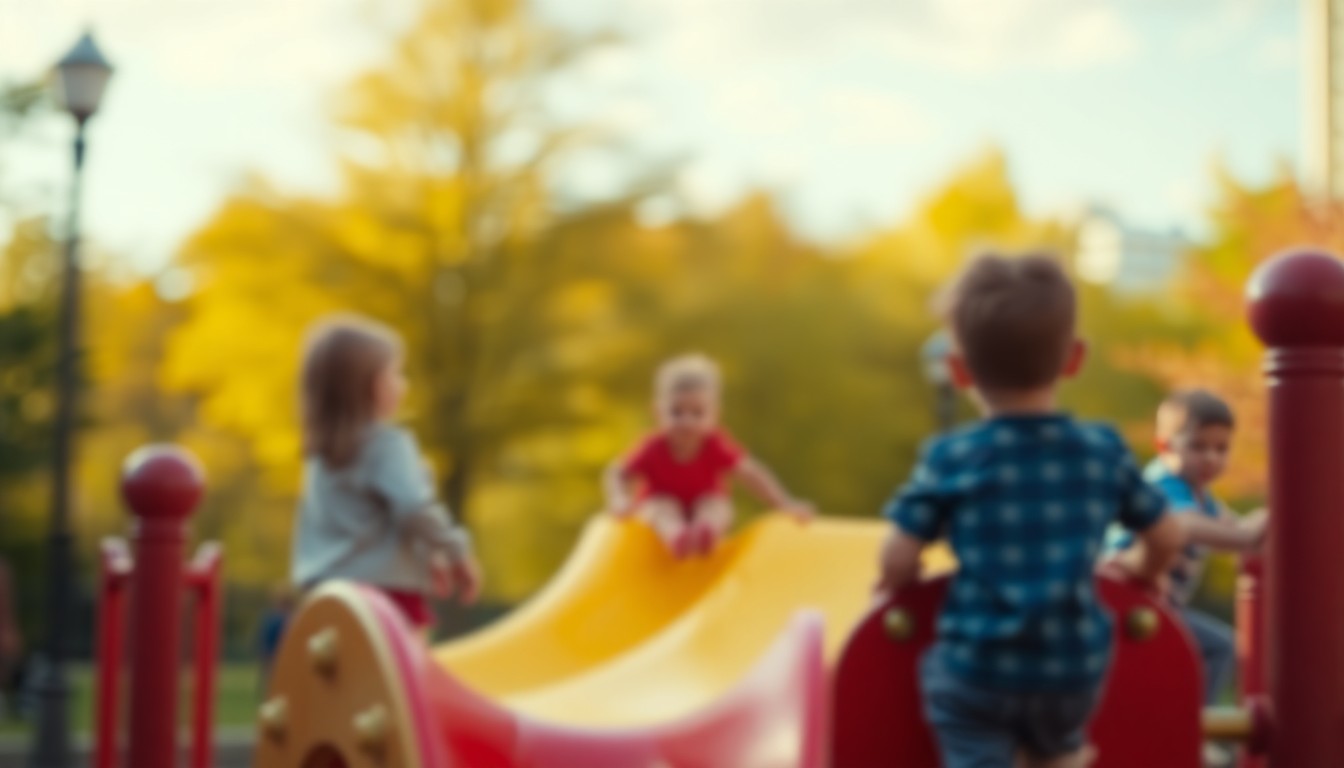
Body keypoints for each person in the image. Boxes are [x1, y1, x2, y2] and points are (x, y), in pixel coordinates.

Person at [874, 253, 1184, 768]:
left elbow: (898, 555)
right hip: (1072, 669)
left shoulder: (954, 456)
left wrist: (895, 584)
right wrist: (1141, 573)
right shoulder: (1100, 450)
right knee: (1056, 738)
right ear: (1075, 358)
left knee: (955, 702)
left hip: (979, 667)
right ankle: (1058, 756)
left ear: (958, 370)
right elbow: (1168, 536)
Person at [291, 315, 483, 634]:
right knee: (398, 681)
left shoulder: (318, 458)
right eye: (395, 373)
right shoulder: (388, 444)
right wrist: (456, 552)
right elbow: (412, 509)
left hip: (325, 595)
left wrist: (425, 560)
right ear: (368, 386)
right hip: (387, 598)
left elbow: (363, 525)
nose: (402, 384)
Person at [1106, 390, 1266, 708]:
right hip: (1124, 602)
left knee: (1217, 648)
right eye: (1198, 446)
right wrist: (1249, 536)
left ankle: (1180, 721)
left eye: (1221, 449)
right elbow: (1189, 526)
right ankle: (1191, 729)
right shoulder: (1164, 485)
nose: (1211, 458)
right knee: (1220, 648)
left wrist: (1262, 524)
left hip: (1158, 607)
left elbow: (1231, 528)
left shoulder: (1201, 496)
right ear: (1165, 446)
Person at [603, 354, 814, 558]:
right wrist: (618, 499)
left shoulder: (714, 445)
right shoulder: (653, 447)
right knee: (661, 506)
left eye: (697, 413)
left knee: (715, 505)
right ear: (658, 412)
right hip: (661, 516)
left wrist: (785, 504)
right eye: (676, 412)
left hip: (701, 510)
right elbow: (617, 471)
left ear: (715, 415)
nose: (687, 421)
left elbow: (751, 473)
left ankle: (706, 533)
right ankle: (677, 536)